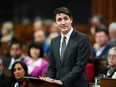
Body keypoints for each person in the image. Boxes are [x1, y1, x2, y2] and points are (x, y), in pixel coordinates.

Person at [43, 7, 90, 87]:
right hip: (58, 84)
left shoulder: (83, 39)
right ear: (56, 23)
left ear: (71, 20)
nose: (63, 22)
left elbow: (80, 66)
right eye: (59, 20)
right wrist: (48, 78)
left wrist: (63, 81)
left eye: (65, 18)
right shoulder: (54, 41)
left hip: (77, 84)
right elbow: (52, 66)